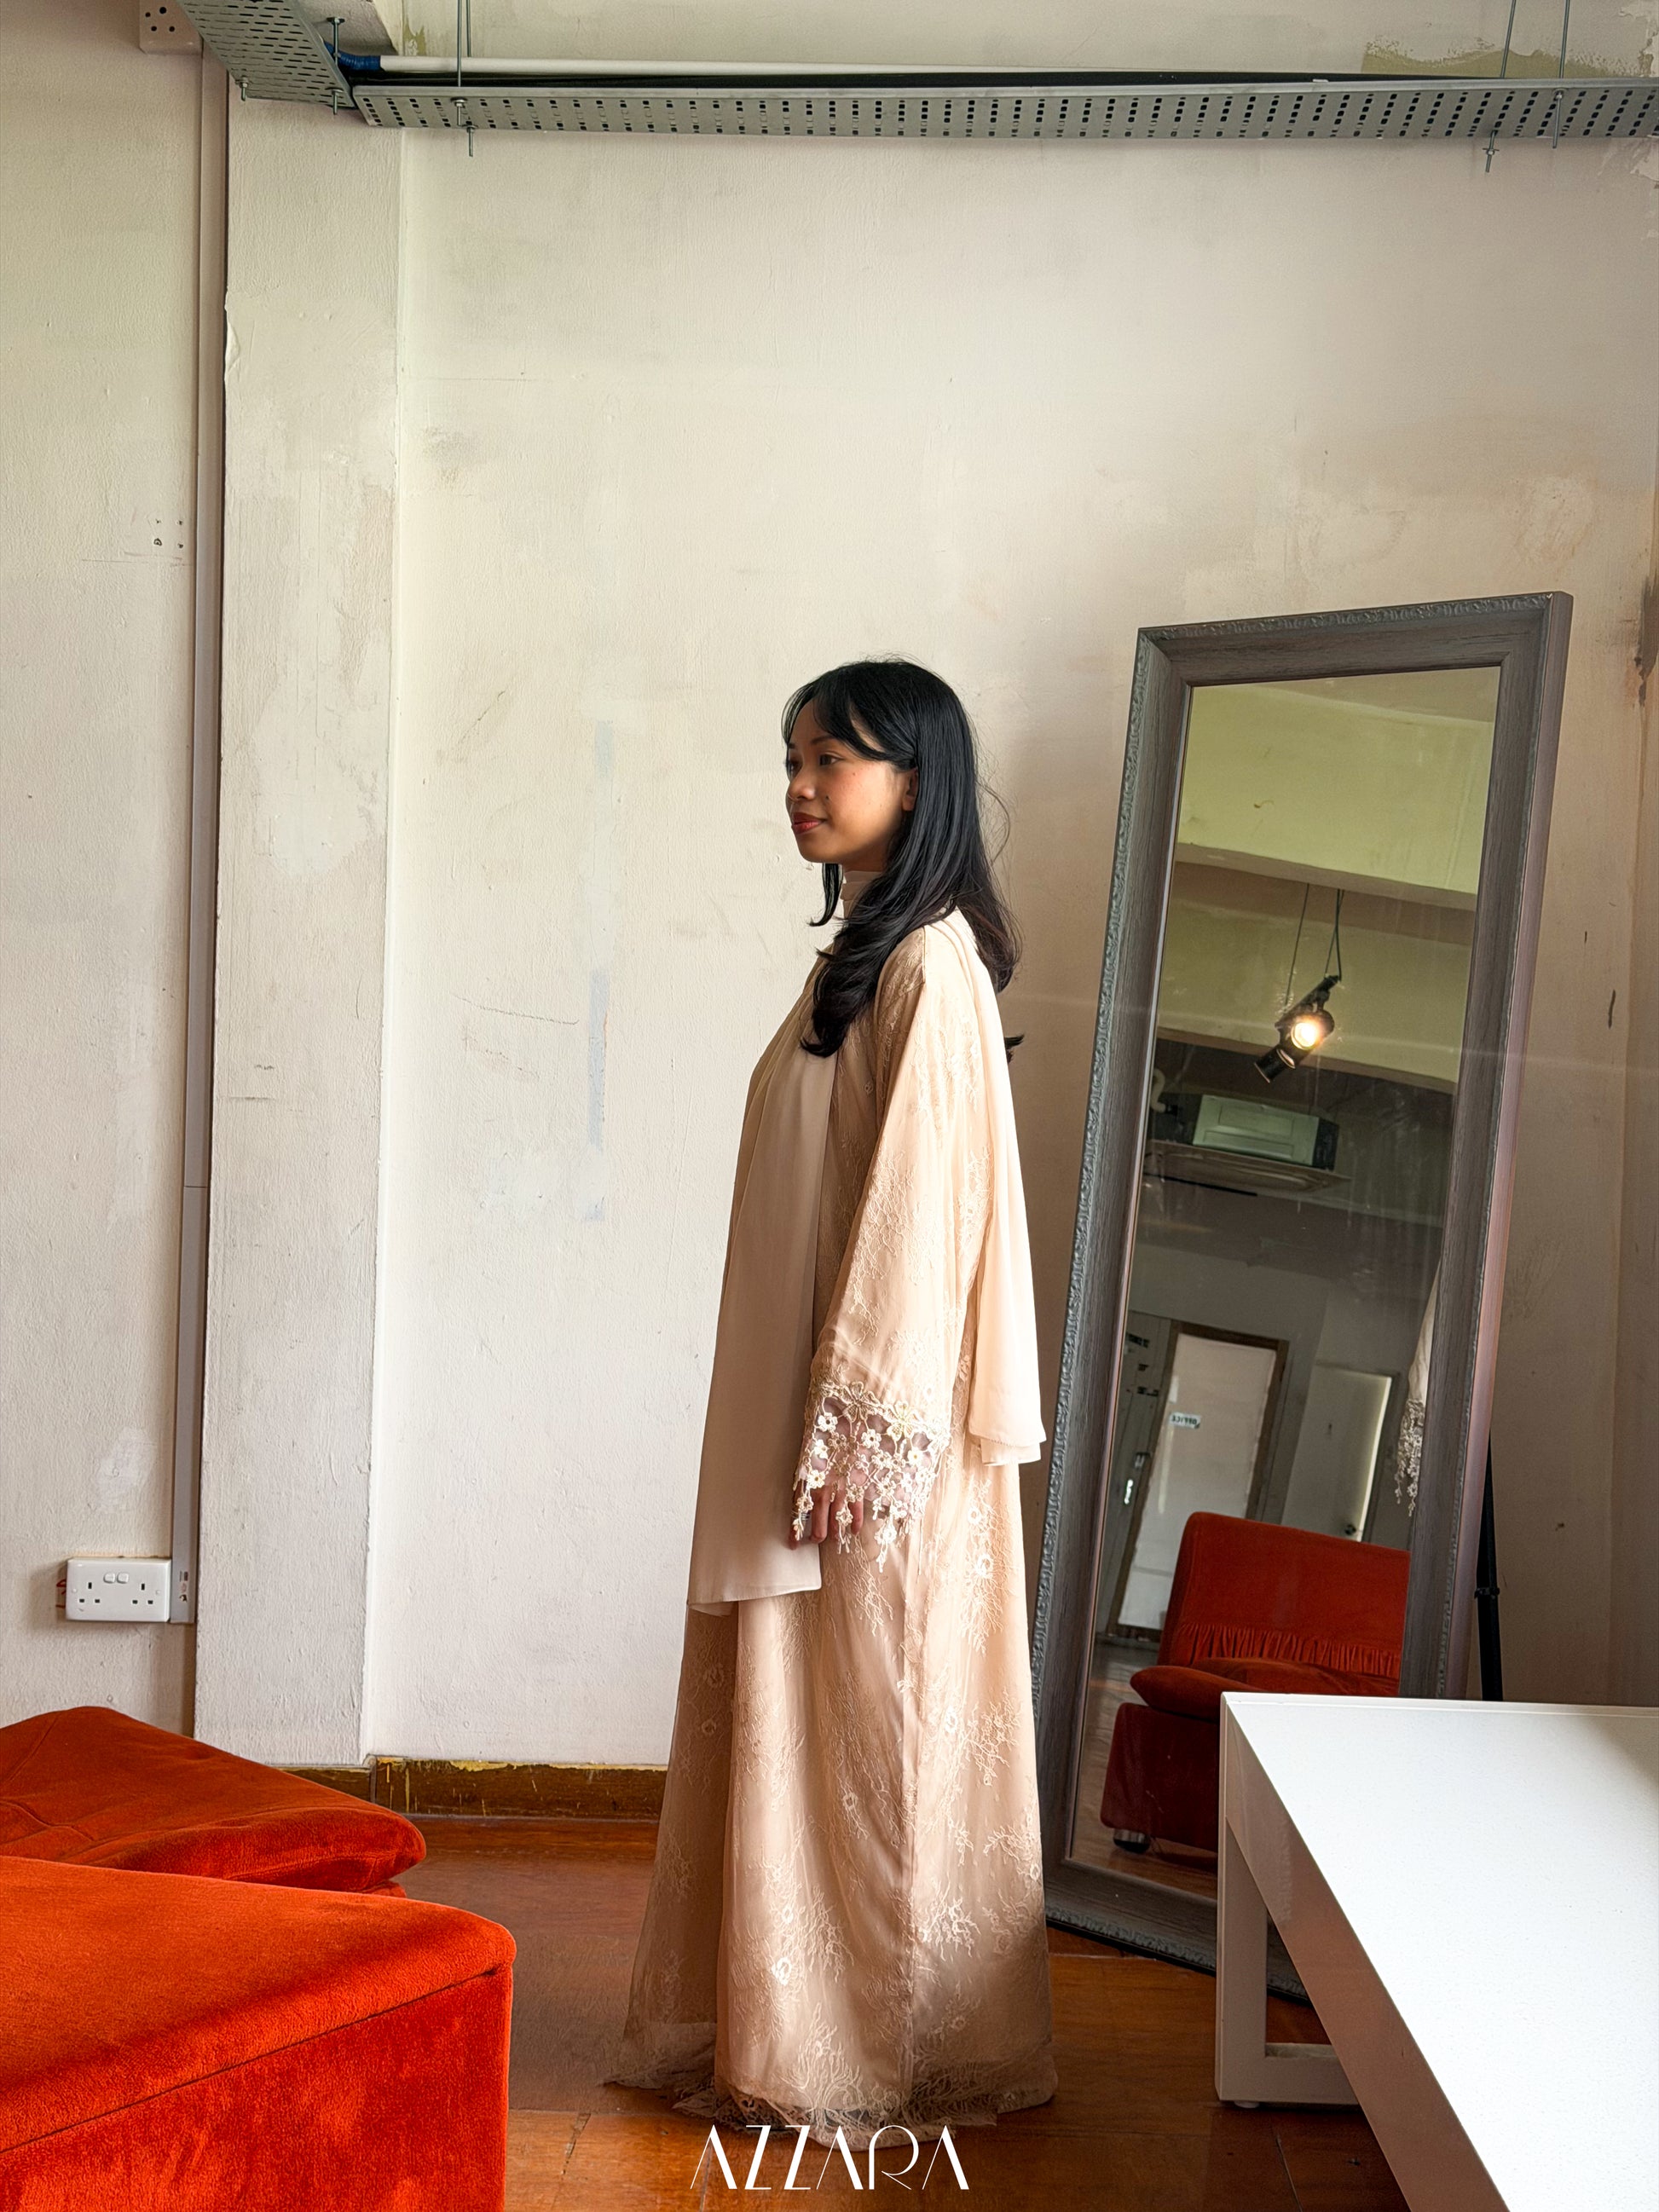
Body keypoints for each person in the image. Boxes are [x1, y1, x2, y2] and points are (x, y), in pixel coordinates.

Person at [613, 659, 1055, 2147]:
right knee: (810, 1725)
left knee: (868, 1732)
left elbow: (925, 1212)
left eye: (831, 760)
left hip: (867, 1443)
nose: (798, 786)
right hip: (807, 1415)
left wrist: (863, 1422)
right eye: (792, 758)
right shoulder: (860, 959)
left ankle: (865, 2045)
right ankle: (793, 2024)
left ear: (913, 782)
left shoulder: (930, 964)